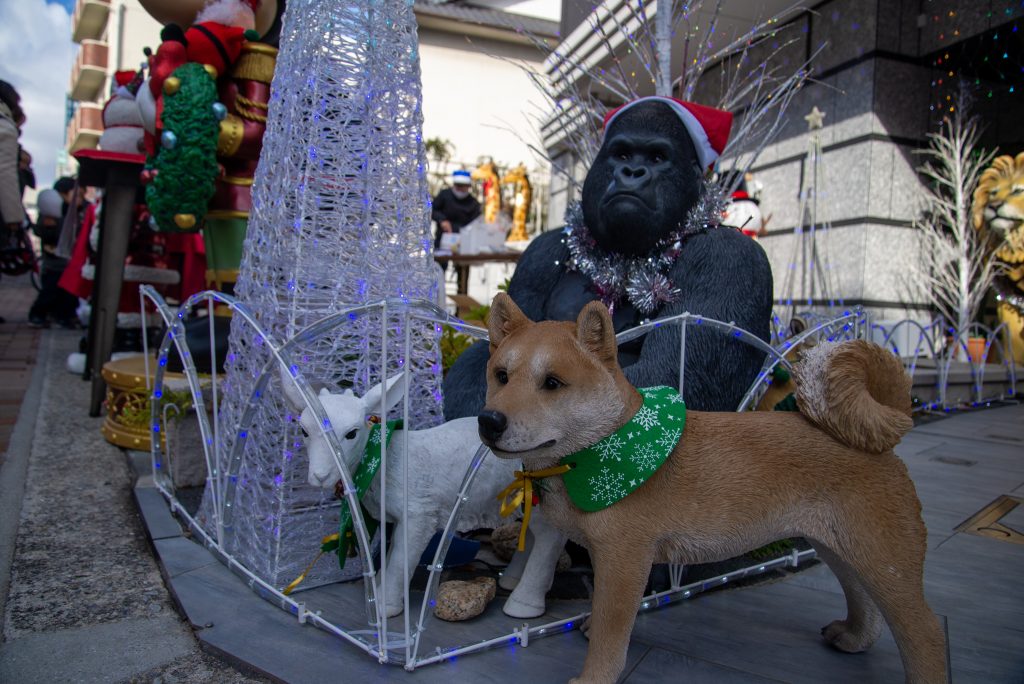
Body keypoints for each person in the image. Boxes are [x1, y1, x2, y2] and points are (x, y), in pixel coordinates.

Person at [28, 188, 79, 328]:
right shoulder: (52, 214)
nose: (79, 198)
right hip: (54, 263)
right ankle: (38, 314)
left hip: (66, 262)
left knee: (64, 293)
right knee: (50, 291)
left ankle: (61, 316)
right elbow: (44, 233)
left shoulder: (72, 212)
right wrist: (48, 228)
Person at [432, 169, 480, 290]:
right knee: (438, 272)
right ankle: (437, 296)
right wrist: (442, 220)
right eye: (458, 185)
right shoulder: (444, 195)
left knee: (463, 274)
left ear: (468, 187)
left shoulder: (473, 203)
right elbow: (432, 210)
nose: (460, 189)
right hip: (442, 242)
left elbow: (476, 223)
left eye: (463, 186)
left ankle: (461, 298)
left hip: (463, 243)